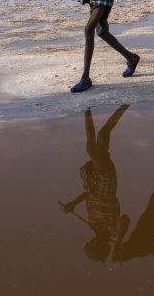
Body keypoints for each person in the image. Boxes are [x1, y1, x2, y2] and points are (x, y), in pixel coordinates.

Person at [59, 106, 131, 262]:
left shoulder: (92, 225)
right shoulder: (114, 231)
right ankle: (94, 107)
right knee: (95, 145)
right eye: (96, 245)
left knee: (98, 140)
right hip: (106, 184)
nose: (94, 241)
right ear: (104, 247)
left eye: (91, 244)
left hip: (92, 184)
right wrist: (118, 243)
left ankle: (88, 108)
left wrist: (74, 203)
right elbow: (126, 220)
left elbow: (89, 196)